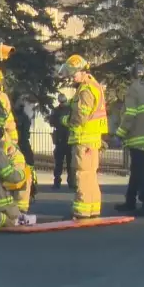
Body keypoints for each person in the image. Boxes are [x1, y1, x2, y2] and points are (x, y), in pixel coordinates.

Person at [57, 54, 108, 220]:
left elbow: (80, 117)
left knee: (82, 175)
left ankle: (82, 210)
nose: (72, 77)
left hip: (83, 139)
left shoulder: (86, 90)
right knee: (90, 175)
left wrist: (65, 120)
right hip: (91, 140)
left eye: (73, 74)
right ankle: (92, 208)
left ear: (82, 71)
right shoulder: (94, 86)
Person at [114, 63, 144, 216]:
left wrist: (120, 133)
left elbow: (129, 115)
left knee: (140, 172)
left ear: (132, 75)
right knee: (136, 170)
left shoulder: (133, 90)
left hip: (135, 137)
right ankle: (130, 201)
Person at [13, 93, 37, 204]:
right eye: (20, 100)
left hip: (20, 145)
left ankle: (30, 189)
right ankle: (30, 190)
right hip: (20, 145)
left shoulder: (17, 116)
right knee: (26, 168)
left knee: (28, 168)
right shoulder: (21, 116)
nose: (22, 103)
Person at [49, 93, 75, 190]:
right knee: (58, 163)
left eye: (64, 101)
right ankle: (57, 182)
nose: (63, 103)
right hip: (60, 140)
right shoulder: (56, 111)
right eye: (62, 102)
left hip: (69, 140)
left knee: (70, 164)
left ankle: (71, 182)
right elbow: (51, 122)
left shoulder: (70, 110)